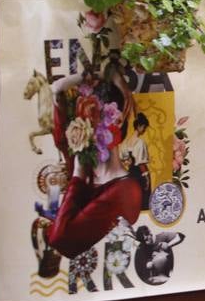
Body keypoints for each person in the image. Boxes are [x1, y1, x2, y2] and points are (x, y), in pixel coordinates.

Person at [45, 66, 143, 259]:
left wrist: (78, 176)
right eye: (82, 119)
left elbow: (60, 240)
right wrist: (111, 76)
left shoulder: (126, 191)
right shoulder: (85, 164)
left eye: (95, 118)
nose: (85, 127)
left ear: (117, 121)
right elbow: (56, 89)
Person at [121, 112, 152, 210]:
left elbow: (125, 160)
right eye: (144, 127)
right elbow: (141, 164)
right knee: (143, 199)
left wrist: (129, 163)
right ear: (139, 126)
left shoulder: (125, 143)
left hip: (131, 175)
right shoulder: (140, 143)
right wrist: (146, 178)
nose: (144, 130)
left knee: (134, 198)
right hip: (140, 175)